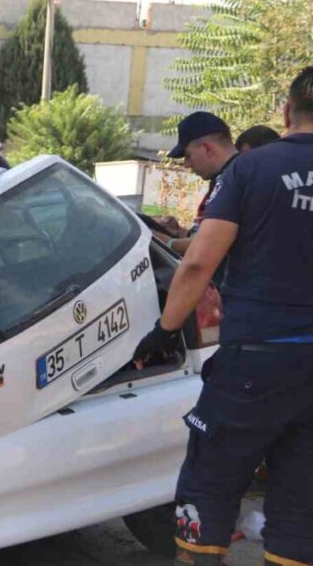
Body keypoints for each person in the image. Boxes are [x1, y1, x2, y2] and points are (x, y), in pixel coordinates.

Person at [133, 66, 313, 566]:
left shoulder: (251, 170)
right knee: (302, 505)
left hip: (256, 360)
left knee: (209, 483)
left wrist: (164, 330)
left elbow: (197, 262)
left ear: (286, 111)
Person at [154, 112, 238, 256]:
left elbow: (211, 244)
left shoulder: (234, 180)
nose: (186, 164)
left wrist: (165, 242)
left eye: (188, 155)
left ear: (207, 148)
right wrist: (180, 232)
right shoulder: (229, 175)